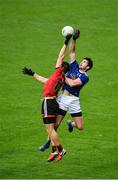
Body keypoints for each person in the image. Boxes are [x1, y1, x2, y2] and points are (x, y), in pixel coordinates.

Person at [39, 29, 93, 152]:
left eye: (85, 62)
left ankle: (71, 124)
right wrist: (74, 39)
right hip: (63, 98)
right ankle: (48, 142)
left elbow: (73, 83)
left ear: (87, 67)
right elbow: (72, 52)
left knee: (80, 126)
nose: (82, 62)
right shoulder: (74, 65)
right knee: (55, 125)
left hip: (73, 100)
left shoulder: (85, 77)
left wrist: (63, 77)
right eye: (83, 60)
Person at [22, 34, 72, 161]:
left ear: (61, 68)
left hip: (48, 103)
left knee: (50, 130)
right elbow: (45, 80)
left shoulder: (58, 72)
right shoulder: (59, 79)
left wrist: (66, 42)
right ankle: (55, 151)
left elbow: (61, 56)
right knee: (51, 128)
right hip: (53, 102)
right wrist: (32, 74)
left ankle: (61, 150)